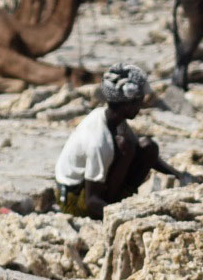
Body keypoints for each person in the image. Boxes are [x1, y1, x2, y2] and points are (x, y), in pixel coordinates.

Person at [54, 64, 182, 216]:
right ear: (128, 104)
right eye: (139, 100)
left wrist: (180, 175)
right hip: (72, 198)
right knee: (125, 145)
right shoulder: (99, 141)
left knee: (146, 146)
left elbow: (141, 149)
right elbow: (91, 201)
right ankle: (115, 202)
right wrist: (124, 216)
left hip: (88, 189)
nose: (141, 104)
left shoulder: (111, 118)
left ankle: (119, 197)